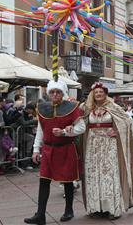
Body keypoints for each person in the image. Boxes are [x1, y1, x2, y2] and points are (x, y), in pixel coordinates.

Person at [24, 79, 86, 225]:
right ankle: (40, 215)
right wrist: (35, 150)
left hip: (65, 148)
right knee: (43, 180)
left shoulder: (72, 107)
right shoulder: (42, 108)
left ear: (63, 93)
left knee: (67, 180)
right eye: (52, 92)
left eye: (58, 92)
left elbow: (81, 127)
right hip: (48, 149)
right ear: (49, 93)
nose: (55, 94)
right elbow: (40, 130)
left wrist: (64, 132)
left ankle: (69, 210)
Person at [79, 82, 133, 219]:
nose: (98, 94)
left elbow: (128, 121)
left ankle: (112, 209)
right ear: (92, 95)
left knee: (109, 175)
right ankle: (96, 208)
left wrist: (117, 132)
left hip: (109, 144)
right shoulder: (88, 108)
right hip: (92, 145)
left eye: (101, 92)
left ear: (105, 94)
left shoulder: (113, 107)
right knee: (93, 174)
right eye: (96, 93)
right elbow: (80, 122)